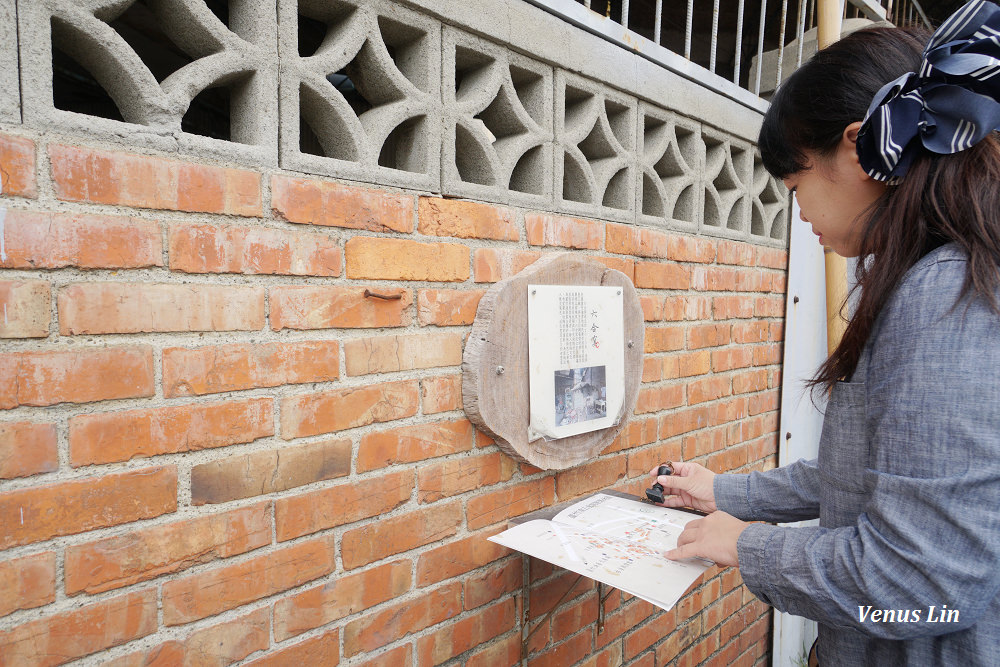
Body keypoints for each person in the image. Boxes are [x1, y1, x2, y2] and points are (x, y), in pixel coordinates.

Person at [649, 1, 1000, 664]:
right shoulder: (937, 277)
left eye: (795, 180)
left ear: (857, 145)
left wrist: (747, 542)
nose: (799, 209)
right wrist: (724, 492)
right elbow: (874, 472)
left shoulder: (948, 293)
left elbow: (925, 581)